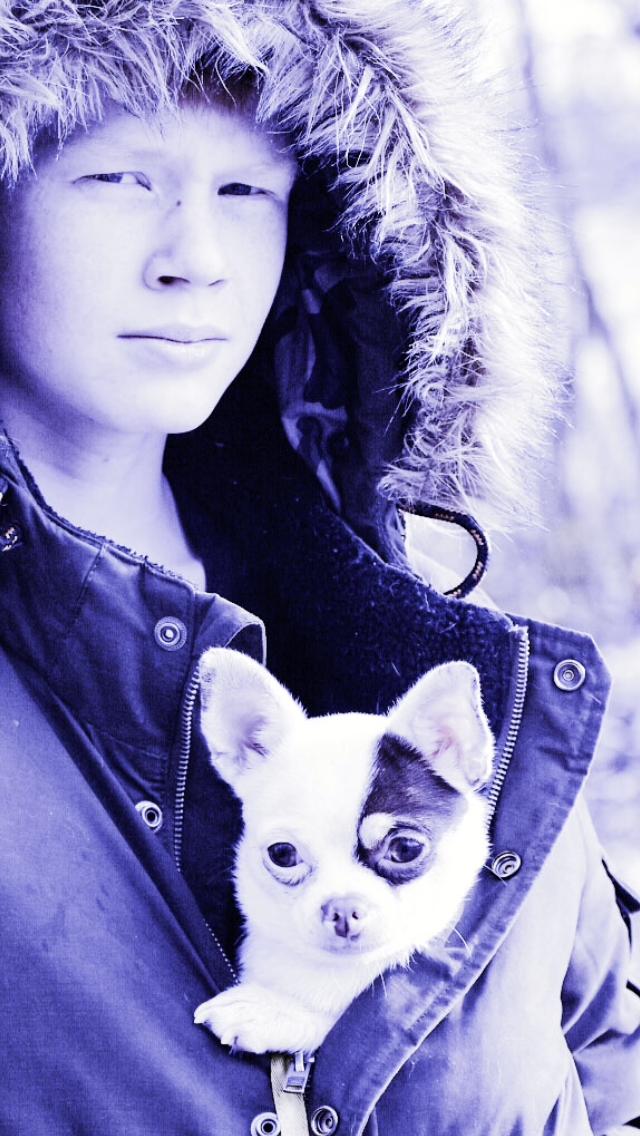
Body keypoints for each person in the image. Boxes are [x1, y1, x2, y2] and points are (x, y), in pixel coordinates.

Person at [0, 2, 638, 1133]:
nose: (196, 261)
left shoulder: (417, 632)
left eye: (246, 191)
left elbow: (606, 1044)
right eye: (119, 180)